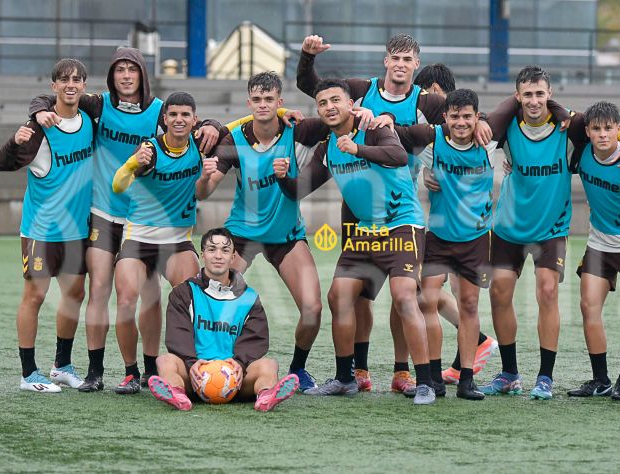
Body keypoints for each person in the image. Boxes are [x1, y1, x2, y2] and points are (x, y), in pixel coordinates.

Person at [298, 33, 493, 394]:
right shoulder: (359, 92)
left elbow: (458, 114)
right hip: (358, 211)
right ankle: (355, 373)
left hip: (400, 206)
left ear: (415, 64)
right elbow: (316, 90)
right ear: (385, 61)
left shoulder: (424, 102)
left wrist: (481, 120)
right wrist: (305, 64)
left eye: (408, 59)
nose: (400, 64)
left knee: (408, 296)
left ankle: (409, 374)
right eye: (395, 58)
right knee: (353, 296)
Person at [29, 48, 221, 393]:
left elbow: (197, 123)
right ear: (112, 76)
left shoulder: (159, 110)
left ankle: (149, 370)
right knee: (100, 290)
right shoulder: (98, 104)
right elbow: (54, 96)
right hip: (104, 212)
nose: (127, 76)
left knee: (150, 296)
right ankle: (95, 370)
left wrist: (212, 124)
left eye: (133, 70)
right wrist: (38, 110)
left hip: (146, 220)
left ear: (142, 74)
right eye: (120, 70)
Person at [479, 65, 620, 400]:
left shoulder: (569, 127)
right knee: (499, 293)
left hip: (551, 229)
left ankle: (545, 377)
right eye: (527, 94)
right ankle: (509, 373)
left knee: (548, 292)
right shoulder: (507, 127)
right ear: (517, 96)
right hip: (508, 226)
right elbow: (480, 125)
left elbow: (605, 126)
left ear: (549, 94)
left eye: (540, 93)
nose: (534, 100)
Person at [275, 79, 437, 405]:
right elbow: (298, 190)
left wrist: (358, 148)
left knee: (404, 296)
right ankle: (345, 378)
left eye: (336, 100)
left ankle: (425, 383)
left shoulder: (374, 127)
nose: (329, 107)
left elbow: (395, 155)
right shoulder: (327, 147)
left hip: (402, 225)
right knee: (339, 296)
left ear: (351, 104)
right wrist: (282, 178)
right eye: (322, 103)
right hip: (365, 231)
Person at [195, 72, 332, 392]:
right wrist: (204, 178)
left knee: (312, 309)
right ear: (248, 103)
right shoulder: (234, 140)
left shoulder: (298, 130)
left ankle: (298, 369)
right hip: (242, 234)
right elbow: (204, 193)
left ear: (279, 103)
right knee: (213, 300)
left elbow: (335, 118)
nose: (262, 105)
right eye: (257, 99)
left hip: (286, 235)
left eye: (269, 99)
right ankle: (210, 364)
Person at [393, 89, 507, 400]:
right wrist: (422, 177)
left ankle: (467, 378)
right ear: (444, 118)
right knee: (426, 302)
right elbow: (396, 135)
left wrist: (485, 120)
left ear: (475, 117)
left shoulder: (488, 142)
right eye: (454, 116)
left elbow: (513, 104)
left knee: (469, 305)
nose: (461, 122)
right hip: (438, 239)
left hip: (475, 240)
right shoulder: (434, 144)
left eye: (468, 116)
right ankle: (433, 376)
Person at [0, 58, 93, 393]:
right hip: (42, 230)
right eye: (64, 79)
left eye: (77, 79)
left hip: (77, 229)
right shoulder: (38, 129)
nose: (71, 84)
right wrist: (15, 140)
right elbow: (0, 163)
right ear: (54, 86)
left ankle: (62, 366)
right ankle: (28, 374)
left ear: (84, 85)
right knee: (35, 295)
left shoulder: (91, 118)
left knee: (74, 294)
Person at [109, 91, 217, 394]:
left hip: (177, 239)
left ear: (195, 119)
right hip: (139, 237)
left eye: (185, 115)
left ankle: (186, 367)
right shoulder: (150, 149)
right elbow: (118, 185)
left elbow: (240, 124)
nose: (179, 120)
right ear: (164, 119)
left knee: (192, 302)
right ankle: (132, 373)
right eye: (173, 115)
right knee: (128, 300)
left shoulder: (201, 144)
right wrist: (132, 165)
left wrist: (207, 179)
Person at [148, 227, 299, 412]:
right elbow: (177, 334)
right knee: (165, 361)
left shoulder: (249, 297)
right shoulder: (184, 292)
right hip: (194, 374)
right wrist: (191, 362)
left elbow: (256, 337)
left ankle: (266, 396)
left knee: (269, 365)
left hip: (236, 378)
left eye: (225, 250)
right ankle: (178, 394)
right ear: (202, 254)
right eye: (212, 249)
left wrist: (240, 362)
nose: (218, 255)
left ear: (233, 257)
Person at [565, 101, 620, 401]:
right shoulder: (581, 152)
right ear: (587, 132)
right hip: (600, 242)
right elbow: (560, 112)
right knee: (588, 307)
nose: (603, 134)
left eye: (609, 128)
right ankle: (600, 379)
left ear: (619, 129)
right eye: (596, 129)